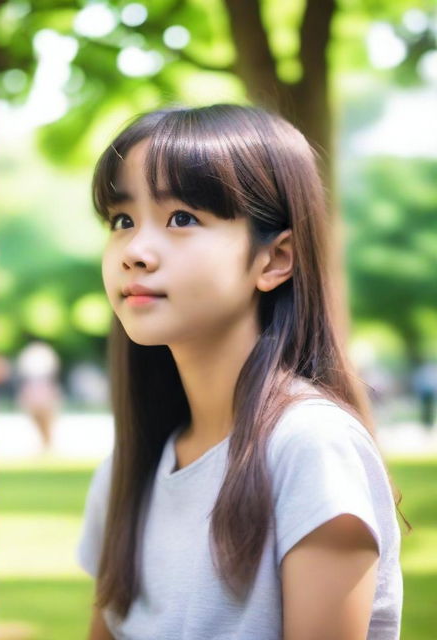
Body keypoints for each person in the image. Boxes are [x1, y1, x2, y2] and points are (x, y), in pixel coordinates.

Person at [75, 104, 408, 639]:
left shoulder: (310, 448)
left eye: (182, 218)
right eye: (122, 220)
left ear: (275, 259)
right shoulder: (125, 470)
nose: (135, 251)